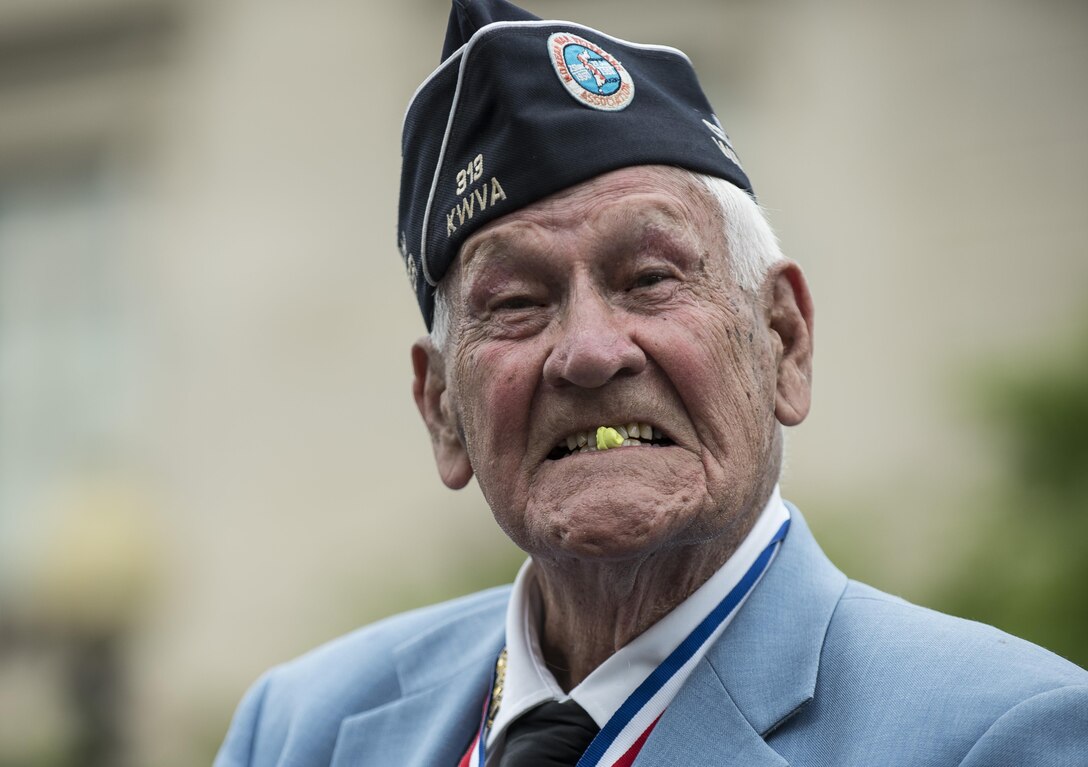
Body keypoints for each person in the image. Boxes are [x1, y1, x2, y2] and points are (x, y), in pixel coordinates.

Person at [214, 1, 1088, 764]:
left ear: (783, 341)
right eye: (516, 301)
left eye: (650, 279)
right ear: (443, 410)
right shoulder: (301, 730)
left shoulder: (997, 736)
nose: (590, 352)